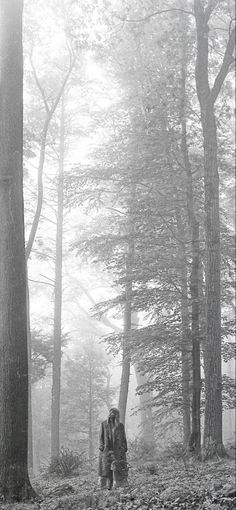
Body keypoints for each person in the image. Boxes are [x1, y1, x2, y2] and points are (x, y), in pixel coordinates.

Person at [98, 407, 128, 489]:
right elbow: (101, 436)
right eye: (111, 413)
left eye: (114, 413)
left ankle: (119, 485)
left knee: (118, 467)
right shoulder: (104, 424)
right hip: (107, 449)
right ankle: (106, 486)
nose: (112, 414)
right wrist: (101, 446)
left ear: (117, 415)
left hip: (118, 449)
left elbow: (123, 437)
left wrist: (125, 447)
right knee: (106, 468)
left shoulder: (120, 425)